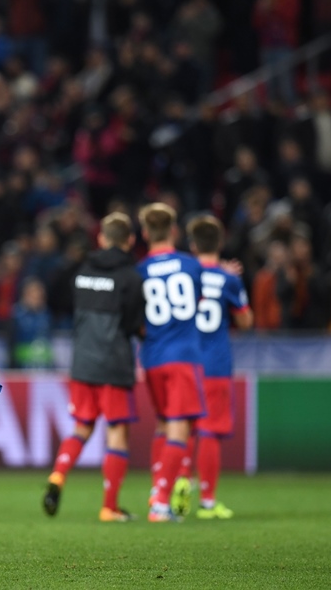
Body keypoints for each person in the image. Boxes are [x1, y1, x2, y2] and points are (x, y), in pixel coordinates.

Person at [43, 212, 145, 522]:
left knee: (82, 427)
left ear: (101, 239)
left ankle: (58, 476)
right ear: (129, 241)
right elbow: (133, 323)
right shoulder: (131, 277)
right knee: (117, 433)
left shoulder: (83, 270)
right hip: (113, 362)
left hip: (83, 362)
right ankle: (109, 507)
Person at [177, 215, 253, 519]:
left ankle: (181, 480)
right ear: (220, 243)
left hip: (186, 361)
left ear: (193, 245)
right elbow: (246, 321)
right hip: (217, 364)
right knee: (209, 430)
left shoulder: (184, 274)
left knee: (183, 428)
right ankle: (208, 501)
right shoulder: (228, 279)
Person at [136, 203, 207, 522]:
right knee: (180, 427)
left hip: (152, 357)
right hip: (182, 356)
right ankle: (160, 502)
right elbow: (198, 302)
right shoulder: (192, 266)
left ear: (146, 233)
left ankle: (156, 489)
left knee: (164, 424)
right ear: (174, 231)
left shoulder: (139, 271)